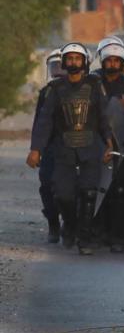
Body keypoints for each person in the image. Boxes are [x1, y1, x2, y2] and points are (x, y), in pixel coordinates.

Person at [27, 43, 114, 254]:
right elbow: (45, 120)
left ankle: (84, 239)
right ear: (64, 62)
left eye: (77, 58)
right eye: (70, 58)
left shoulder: (94, 86)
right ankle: (70, 225)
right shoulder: (55, 89)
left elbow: (103, 117)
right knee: (63, 195)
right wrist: (36, 149)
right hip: (63, 148)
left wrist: (109, 142)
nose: (74, 62)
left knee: (89, 192)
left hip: (90, 145)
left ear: (84, 62)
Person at [98, 43, 124, 252]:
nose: (112, 64)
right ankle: (101, 232)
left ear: (122, 63)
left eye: (116, 60)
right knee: (100, 190)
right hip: (100, 144)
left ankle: (123, 235)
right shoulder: (94, 82)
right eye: (109, 60)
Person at [31, 50, 64, 243]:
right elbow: (39, 123)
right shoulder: (47, 92)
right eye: (55, 66)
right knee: (47, 186)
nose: (59, 70)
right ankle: (53, 223)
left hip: (76, 147)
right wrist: (36, 149)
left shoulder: (85, 89)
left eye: (62, 65)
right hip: (51, 147)